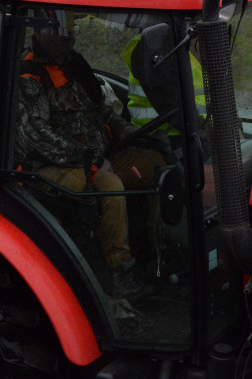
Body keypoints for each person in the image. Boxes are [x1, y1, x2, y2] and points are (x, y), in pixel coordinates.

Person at [13, 26, 165, 300]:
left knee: (156, 166)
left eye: (71, 29)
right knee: (110, 186)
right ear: (39, 30)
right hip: (51, 168)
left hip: (101, 156)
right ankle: (120, 272)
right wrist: (91, 160)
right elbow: (35, 137)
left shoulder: (74, 64)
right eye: (58, 30)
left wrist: (121, 127)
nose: (68, 35)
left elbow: (100, 108)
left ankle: (158, 255)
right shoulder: (29, 76)